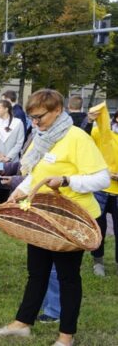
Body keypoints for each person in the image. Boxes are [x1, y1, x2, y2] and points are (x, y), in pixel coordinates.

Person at [0, 89, 110, 346]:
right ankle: (23, 323)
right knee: (37, 272)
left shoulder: (77, 137)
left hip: (71, 220)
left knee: (67, 277)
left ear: (57, 110)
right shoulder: (41, 136)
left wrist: (67, 180)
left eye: (39, 117)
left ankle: (66, 336)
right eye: (32, 117)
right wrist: (20, 191)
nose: (34, 122)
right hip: (42, 215)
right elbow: (37, 173)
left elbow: (102, 178)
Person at [86, 106, 118, 277]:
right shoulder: (101, 133)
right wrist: (89, 120)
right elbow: (83, 138)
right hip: (101, 190)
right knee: (99, 228)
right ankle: (98, 261)